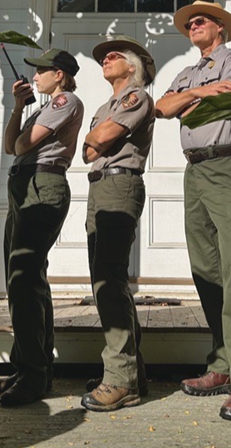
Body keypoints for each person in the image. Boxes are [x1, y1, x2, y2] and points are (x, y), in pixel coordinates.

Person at [155, 1, 231, 422]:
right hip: (195, 171)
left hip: (230, 164)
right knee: (207, 270)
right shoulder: (187, 73)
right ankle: (222, 366)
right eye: (188, 23)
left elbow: (229, 98)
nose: (192, 25)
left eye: (200, 20)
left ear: (220, 27)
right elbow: (162, 108)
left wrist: (189, 102)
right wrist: (200, 92)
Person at [0, 48, 84, 407]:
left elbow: (21, 144)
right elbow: (9, 146)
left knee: (24, 277)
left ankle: (33, 375)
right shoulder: (43, 107)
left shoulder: (65, 101)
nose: (35, 76)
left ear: (59, 75)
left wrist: (22, 130)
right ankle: (31, 367)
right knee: (25, 279)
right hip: (24, 186)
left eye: (41, 71)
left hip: (42, 186)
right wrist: (18, 107)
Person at [80, 36, 156, 412]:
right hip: (99, 186)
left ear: (134, 66)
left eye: (115, 55)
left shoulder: (136, 97)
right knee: (106, 281)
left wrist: (99, 138)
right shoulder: (105, 105)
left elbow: (101, 138)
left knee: (109, 280)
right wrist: (97, 139)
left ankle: (120, 380)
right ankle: (133, 374)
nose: (106, 58)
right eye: (104, 57)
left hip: (120, 183)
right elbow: (86, 150)